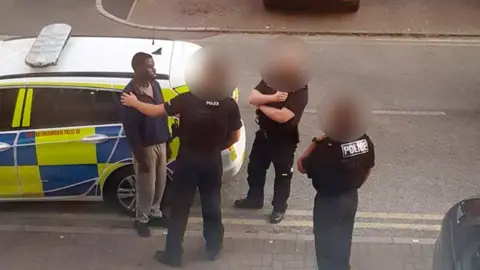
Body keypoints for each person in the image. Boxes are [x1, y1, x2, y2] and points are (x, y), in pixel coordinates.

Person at [120, 56, 242, 267]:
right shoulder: (228, 104)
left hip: (188, 159)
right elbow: (234, 137)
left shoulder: (187, 99)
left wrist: (134, 102)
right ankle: (213, 248)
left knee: (180, 208)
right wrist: (214, 148)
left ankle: (173, 254)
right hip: (212, 160)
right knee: (212, 203)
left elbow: (155, 111)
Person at [297, 97, 375, 270]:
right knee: (344, 239)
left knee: (326, 248)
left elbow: (301, 166)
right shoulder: (364, 141)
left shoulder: (325, 148)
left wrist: (316, 141)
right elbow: (368, 169)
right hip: (351, 198)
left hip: (328, 202)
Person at [234, 58, 309, 224]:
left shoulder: (299, 89)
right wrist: (274, 98)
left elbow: (283, 116)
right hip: (264, 134)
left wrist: (262, 105)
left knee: (282, 174)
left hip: (284, 139)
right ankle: (254, 199)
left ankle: (279, 207)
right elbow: (252, 97)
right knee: (255, 168)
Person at [119, 52, 171, 238]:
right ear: (138, 68)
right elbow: (130, 129)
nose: (154, 69)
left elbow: (162, 112)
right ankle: (141, 219)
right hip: (145, 146)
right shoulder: (129, 94)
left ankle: (155, 212)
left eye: (153, 65)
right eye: (149, 66)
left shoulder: (155, 85)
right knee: (145, 185)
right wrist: (140, 156)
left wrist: (168, 139)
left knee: (160, 182)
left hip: (160, 141)